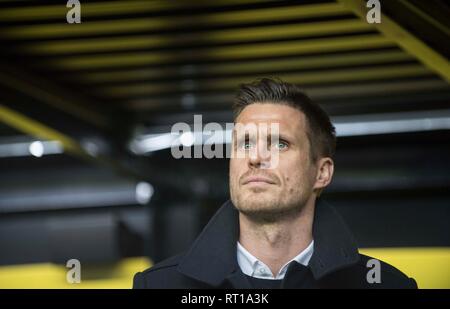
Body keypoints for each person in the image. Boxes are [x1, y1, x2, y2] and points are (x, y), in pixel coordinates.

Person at [133, 78, 417, 289]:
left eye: (280, 144)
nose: (255, 157)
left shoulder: (386, 286)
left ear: (322, 173)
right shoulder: (161, 286)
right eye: (245, 144)